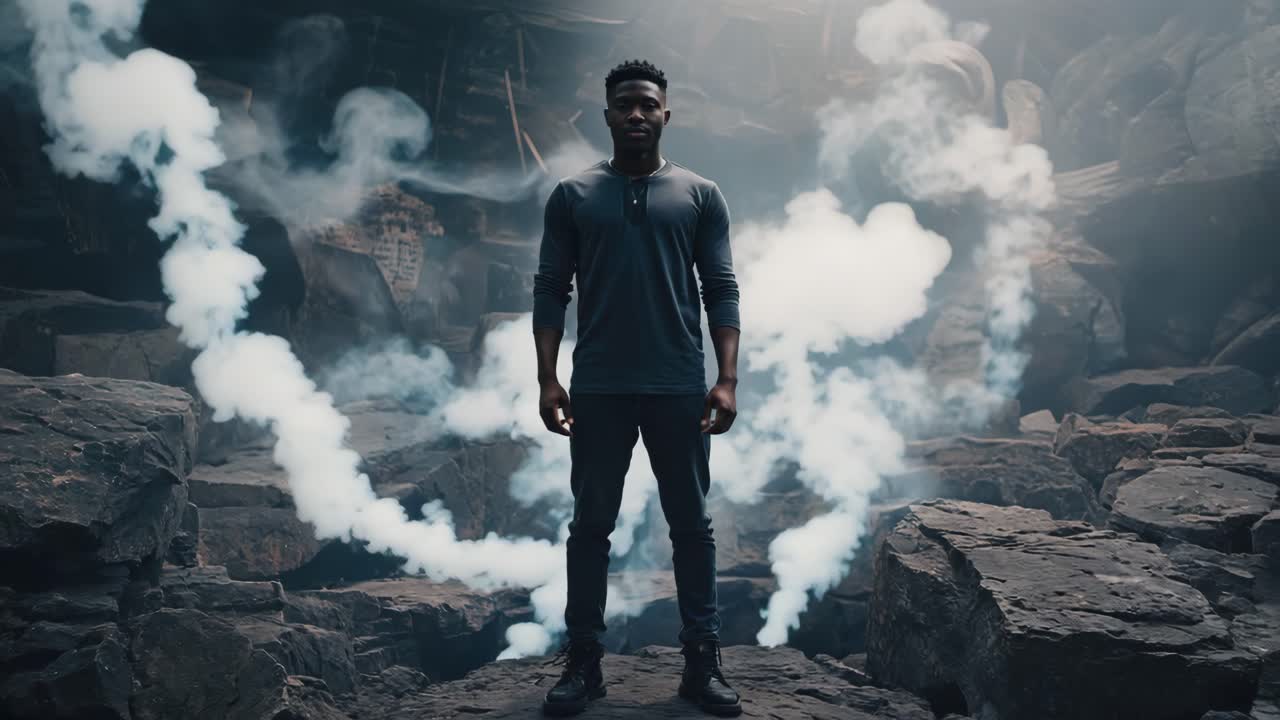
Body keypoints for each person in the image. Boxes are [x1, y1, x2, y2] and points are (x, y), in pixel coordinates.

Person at [531, 59, 743, 717]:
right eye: (625, 104)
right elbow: (550, 289)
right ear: (607, 115)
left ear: (665, 114)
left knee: (692, 527)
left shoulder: (700, 194)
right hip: (599, 386)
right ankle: (584, 664)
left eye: (647, 105)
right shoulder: (573, 195)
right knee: (590, 527)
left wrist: (726, 379)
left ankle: (702, 664)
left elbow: (721, 289)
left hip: (678, 384)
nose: (636, 114)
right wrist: (547, 378)